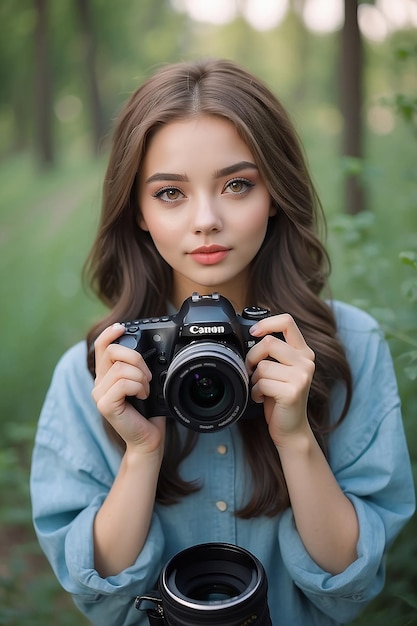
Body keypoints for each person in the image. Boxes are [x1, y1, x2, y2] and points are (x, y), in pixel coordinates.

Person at [30, 59, 415, 626]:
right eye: (170, 193)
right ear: (137, 209)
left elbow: (349, 584)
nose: (206, 220)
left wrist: (295, 436)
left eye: (237, 184)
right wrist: (140, 452)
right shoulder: (96, 372)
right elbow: (101, 593)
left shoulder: (347, 346)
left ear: (276, 193)